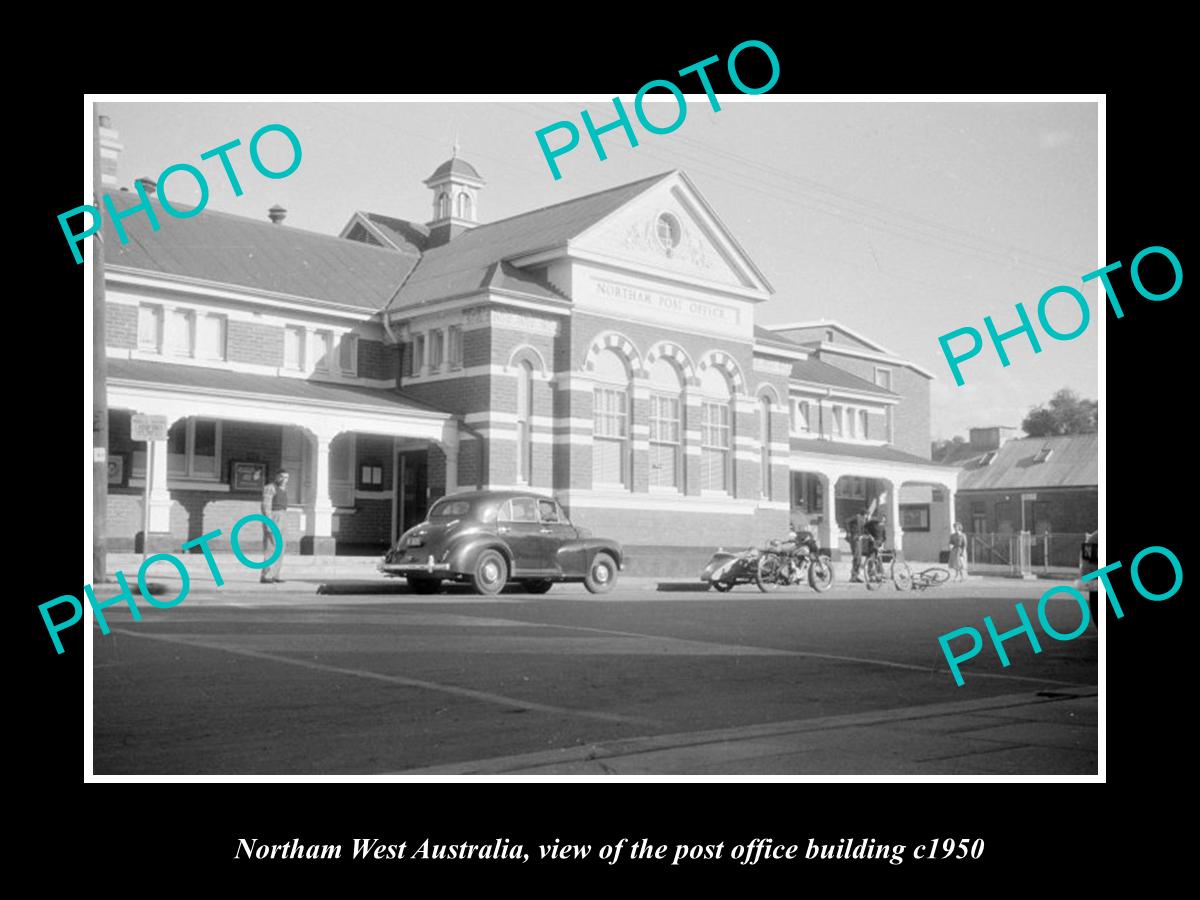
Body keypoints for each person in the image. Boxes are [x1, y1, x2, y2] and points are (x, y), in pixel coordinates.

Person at [260, 470, 290, 584]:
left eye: (286, 477)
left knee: (281, 547)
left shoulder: (284, 489)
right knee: (271, 546)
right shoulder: (270, 488)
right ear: (277, 477)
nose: (284, 480)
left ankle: (275, 574)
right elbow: (266, 506)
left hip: (283, 515)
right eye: (282, 477)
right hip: (274, 516)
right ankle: (266, 575)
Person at [846, 509, 868, 582]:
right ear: (864, 514)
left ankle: (856, 575)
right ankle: (853, 576)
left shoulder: (863, 520)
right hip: (855, 538)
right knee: (857, 557)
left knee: (859, 558)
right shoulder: (856, 517)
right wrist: (849, 532)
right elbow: (846, 521)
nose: (866, 516)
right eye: (866, 515)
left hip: (859, 539)